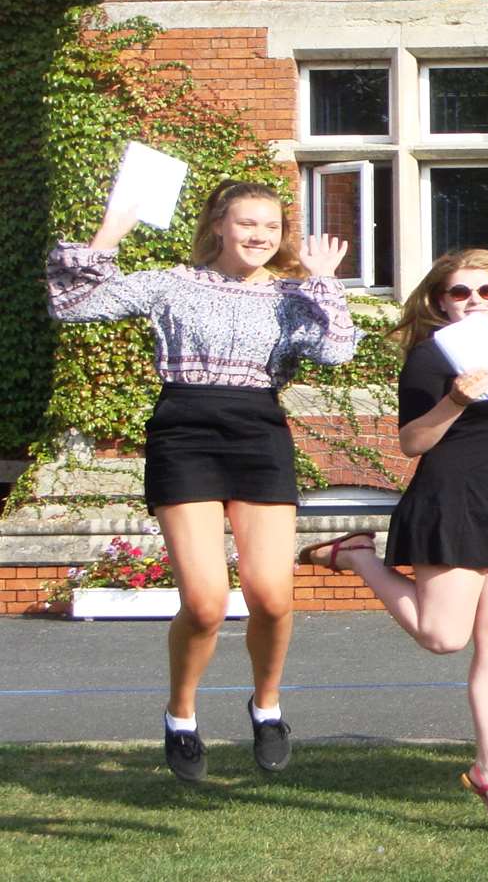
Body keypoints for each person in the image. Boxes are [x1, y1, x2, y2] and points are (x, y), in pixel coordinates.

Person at [46, 179, 358, 782]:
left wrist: (324, 285)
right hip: (185, 429)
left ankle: (266, 707)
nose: (259, 237)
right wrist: (112, 230)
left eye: (271, 227)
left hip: (258, 430)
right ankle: (181, 714)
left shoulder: (293, 294)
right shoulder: (173, 282)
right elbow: (72, 304)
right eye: (247, 225)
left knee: (272, 595)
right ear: (219, 225)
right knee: (206, 602)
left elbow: (336, 351)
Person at [298, 249, 488, 832]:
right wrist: (455, 399)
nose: (473, 301)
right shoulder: (432, 357)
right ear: (440, 300)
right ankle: (356, 557)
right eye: (459, 292)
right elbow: (411, 443)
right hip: (453, 500)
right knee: (442, 636)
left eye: (485, 291)